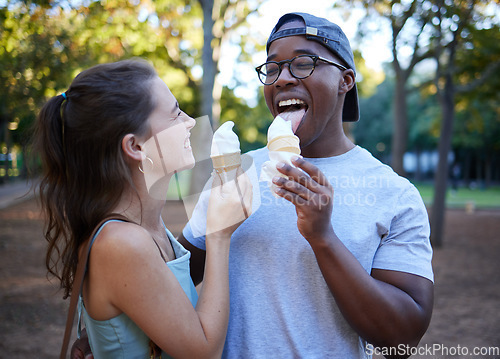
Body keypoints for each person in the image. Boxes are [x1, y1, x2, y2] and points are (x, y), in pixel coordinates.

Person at [179, 12, 434, 358]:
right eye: (272, 69)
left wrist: (323, 237)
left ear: (345, 80)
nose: (282, 78)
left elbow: (403, 335)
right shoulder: (235, 173)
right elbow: (174, 284)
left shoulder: (394, 194)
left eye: (303, 63)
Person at [33, 59, 252, 358]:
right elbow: (204, 352)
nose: (189, 121)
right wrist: (219, 235)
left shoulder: (148, 227)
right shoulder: (124, 242)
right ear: (136, 147)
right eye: (175, 114)